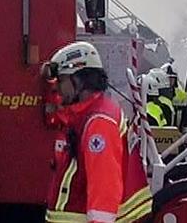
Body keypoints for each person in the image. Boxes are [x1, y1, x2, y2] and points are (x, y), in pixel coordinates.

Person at [43, 41, 152, 223]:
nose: (59, 89)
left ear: (79, 81)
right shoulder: (88, 115)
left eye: (62, 80)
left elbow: (104, 187)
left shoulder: (99, 122)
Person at [161, 62, 187, 128]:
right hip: (160, 132)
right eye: (168, 78)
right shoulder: (155, 93)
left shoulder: (181, 95)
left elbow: (186, 118)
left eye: (172, 78)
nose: (170, 81)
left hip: (176, 132)